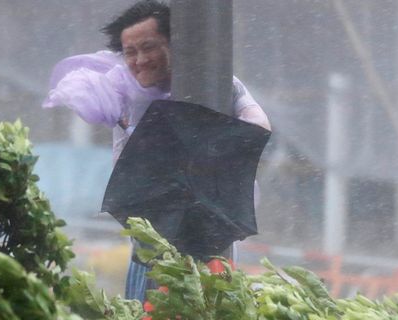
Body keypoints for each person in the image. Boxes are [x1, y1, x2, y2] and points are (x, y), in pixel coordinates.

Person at [42, 0, 271, 302]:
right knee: (147, 302)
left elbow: (258, 125)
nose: (139, 60)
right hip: (150, 229)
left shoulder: (219, 85)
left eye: (148, 48)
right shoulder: (121, 89)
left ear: (175, 44)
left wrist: (209, 142)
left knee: (212, 302)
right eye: (130, 52)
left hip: (211, 224)